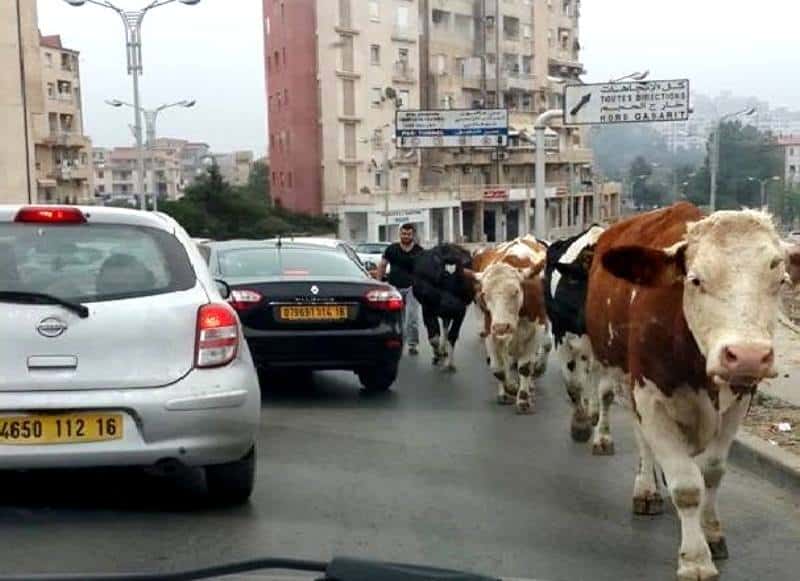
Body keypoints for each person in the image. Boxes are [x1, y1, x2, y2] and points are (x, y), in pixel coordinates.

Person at [376, 223, 423, 355]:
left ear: (413, 235)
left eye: (408, 234)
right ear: (400, 234)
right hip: (394, 288)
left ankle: (412, 344)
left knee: (412, 317)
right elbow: (382, 266)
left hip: (412, 289)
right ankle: (396, 341)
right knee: (396, 318)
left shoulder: (419, 251)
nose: (406, 236)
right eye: (403, 233)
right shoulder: (392, 249)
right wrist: (378, 284)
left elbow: (424, 270)